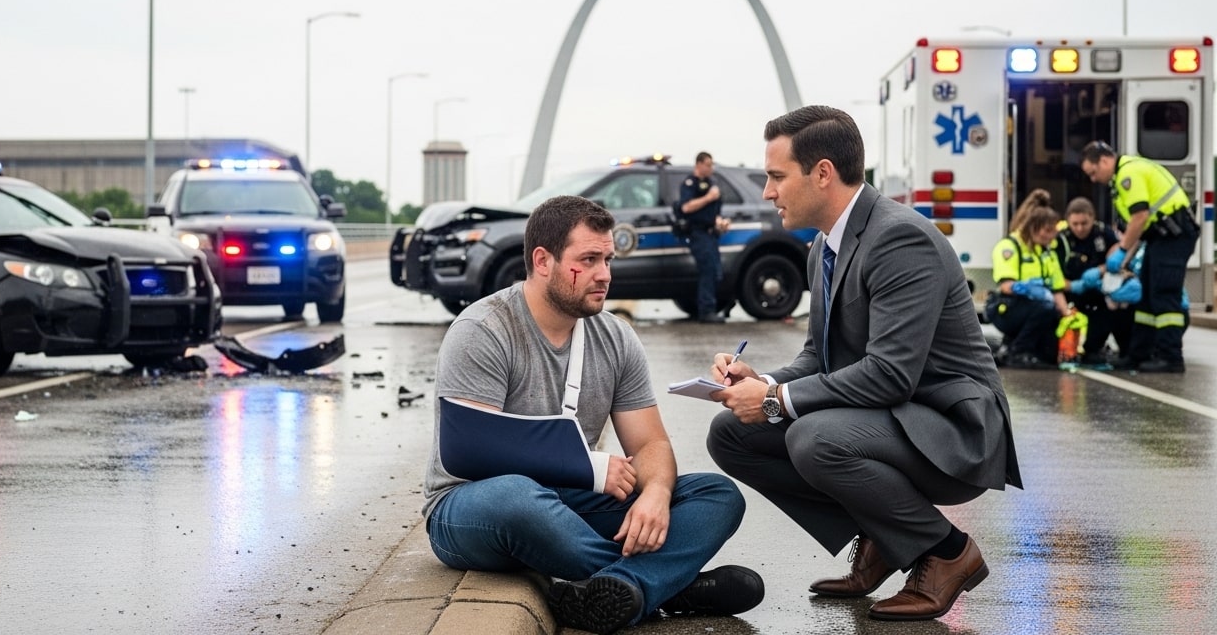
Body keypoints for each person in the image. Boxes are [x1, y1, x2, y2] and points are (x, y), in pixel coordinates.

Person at [703, 105, 1022, 622]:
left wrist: (775, 400)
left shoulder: (900, 239)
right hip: (890, 419)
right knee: (730, 433)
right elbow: (817, 357)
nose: (767, 191)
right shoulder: (823, 247)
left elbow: (892, 374)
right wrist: (762, 380)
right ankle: (880, 535)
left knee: (814, 437)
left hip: (951, 430)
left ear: (822, 173)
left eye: (777, 176)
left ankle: (945, 552)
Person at [423, 195, 763, 634]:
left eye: (608, 259)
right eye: (589, 259)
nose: (604, 274)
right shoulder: (484, 330)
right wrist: (589, 466)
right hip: (473, 506)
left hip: (572, 500)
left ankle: (627, 589)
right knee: (517, 497)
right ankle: (672, 586)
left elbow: (650, 444)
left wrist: (657, 495)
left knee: (718, 495)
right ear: (543, 260)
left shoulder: (616, 338)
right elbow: (472, 452)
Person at [1080, 141, 1198, 372]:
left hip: (1173, 237)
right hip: (1160, 237)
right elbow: (1141, 227)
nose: (1093, 179)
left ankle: (1171, 358)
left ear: (1104, 161)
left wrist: (1123, 250)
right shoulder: (1126, 173)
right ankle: (1138, 355)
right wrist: (1125, 257)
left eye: (1093, 173)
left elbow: (1140, 216)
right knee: (1146, 298)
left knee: (1164, 295)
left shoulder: (1128, 174)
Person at [987, 190, 1068, 368]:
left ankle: (1010, 346)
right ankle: (1018, 351)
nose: (1051, 236)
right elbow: (1006, 286)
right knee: (1045, 307)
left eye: (1054, 231)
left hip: (1035, 309)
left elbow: (1057, 289)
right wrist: (1027, 288)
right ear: (1033, 227)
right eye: (1048, 231)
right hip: (1007, 306)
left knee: (1051, 355)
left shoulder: (1047, 252)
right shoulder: (1010, 246)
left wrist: (1067, 315)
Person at [1056, 196, 1132, 365]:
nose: (1080, 228)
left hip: (1099, 291)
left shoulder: (1104, 233)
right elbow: (1053, 273)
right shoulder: (1061, 239)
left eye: (1084, 223)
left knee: (1114, 310)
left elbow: (1121, 257)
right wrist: (1073, 286)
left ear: (1092, 218)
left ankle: (1099, 349)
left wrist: (1100, 270)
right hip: (1070, 293)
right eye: (1075, 224)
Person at [678, 151, 732, 323]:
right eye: (708, 164)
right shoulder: (690, 183)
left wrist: (720, 222)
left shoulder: (711, 183)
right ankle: (706, 311)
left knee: (716, 272)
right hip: (698, 234)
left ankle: (713, 307)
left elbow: (714, 212)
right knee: (708, 271)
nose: (711, 168)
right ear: (699, 164)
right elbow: (686, 208)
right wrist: (709, 197)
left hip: (711, 233)